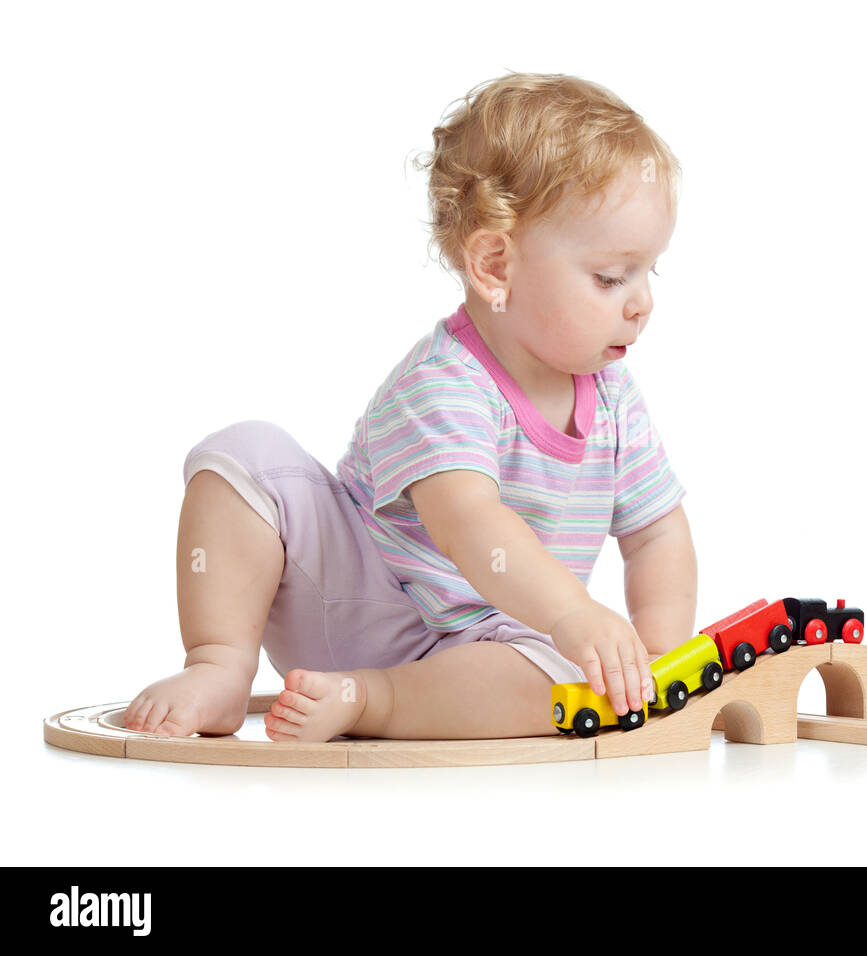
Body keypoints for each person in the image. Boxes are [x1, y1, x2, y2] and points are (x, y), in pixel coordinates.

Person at [123, 72, 697, 742]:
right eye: (610, 277)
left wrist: (656, 662)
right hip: (355, 598)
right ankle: (220, 662)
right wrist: (574, 612)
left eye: (648, 272)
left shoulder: (617, 404)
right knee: (242, 457)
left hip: (483, 653)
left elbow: (658, 532)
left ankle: (374, 698)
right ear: (495, 266)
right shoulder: (445, 383)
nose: (641, 303)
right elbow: (470, 525)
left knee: (563, 687)